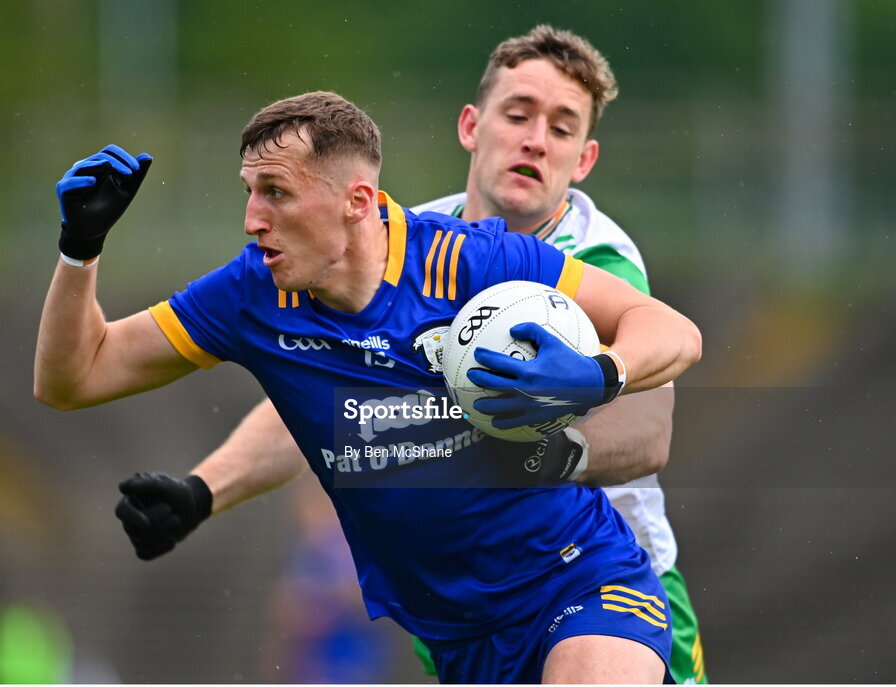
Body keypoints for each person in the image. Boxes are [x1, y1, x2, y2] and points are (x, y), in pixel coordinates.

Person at [35, 91, 701, 682]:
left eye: (275, 192)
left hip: (579, 577)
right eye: (249, 191)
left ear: (357, 201)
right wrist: (80, 248)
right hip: (455, 639)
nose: (252, 218)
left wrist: (597, 372)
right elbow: (74, 377)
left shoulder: (473, 260)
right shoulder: (252, 293)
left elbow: (670, 328)